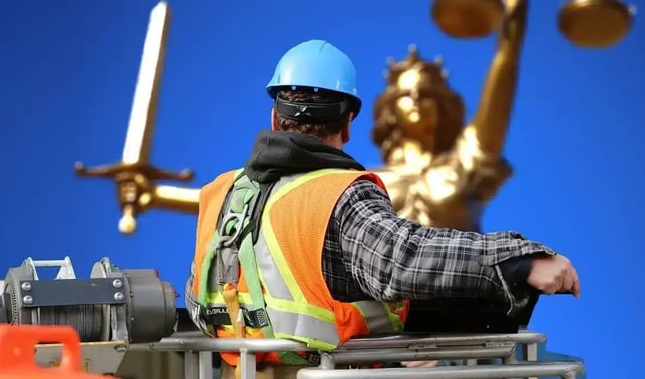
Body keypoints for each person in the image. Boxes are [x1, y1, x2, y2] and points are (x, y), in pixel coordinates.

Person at [184, 39, 580, 378]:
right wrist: (519, 261)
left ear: (275, 117)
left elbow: (200, 302)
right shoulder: (338, 196)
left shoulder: (221, 193)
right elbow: (401, 261)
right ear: (348, 123)